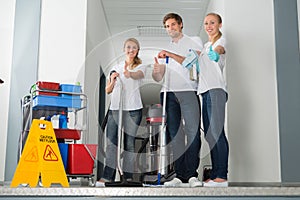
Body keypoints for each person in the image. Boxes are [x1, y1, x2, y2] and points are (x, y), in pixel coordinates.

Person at [152, 13, 203, 187]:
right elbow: (158, 78)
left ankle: (192, 175)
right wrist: (157, 69)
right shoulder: (165, 47)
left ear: (181, 24)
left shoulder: (194, 40)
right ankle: (180, 176)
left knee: (193, 132)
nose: (170, 28)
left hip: (189, 90)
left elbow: (193, 62)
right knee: (175, 135)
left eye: (173, 24)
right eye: (167, 26)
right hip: (168, 93)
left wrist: (171, 55)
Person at [96, 38, 146, 187]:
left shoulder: (141, 66)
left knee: (129, 144)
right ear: (124, 49)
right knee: (111, 143)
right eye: (129, 47)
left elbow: (139, 75)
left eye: (134, 48)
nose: (131, 50)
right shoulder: (115, 66)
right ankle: (107, 177)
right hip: (115, 109)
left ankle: (128, 177)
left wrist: (129, 74)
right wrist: (112, 80)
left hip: (133, 109)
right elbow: (108, 90)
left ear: (137, 50)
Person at [198, 13, 229, 187]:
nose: (209, 26)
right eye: (206, 23)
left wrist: (214, 53)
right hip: (205, 92)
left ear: (219, 24)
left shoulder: (220, 42)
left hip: (216, 90)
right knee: (210, 135)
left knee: (217, 132)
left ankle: (222, 175)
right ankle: (216, 173)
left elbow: (219, 51)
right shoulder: (205, 45)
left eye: (212, 23)